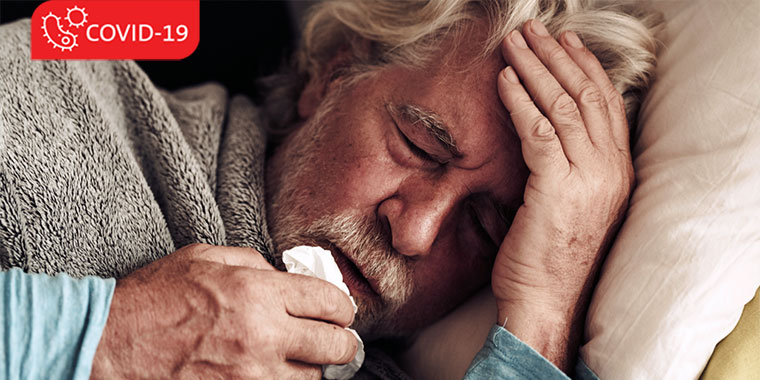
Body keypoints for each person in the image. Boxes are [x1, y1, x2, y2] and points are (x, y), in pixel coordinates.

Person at [0, 0, 660, 378]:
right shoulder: (52, 104)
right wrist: (111, 335)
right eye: (419, 146)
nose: (415, 232)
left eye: (483, 229)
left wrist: (544, 317)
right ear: (332, 77)